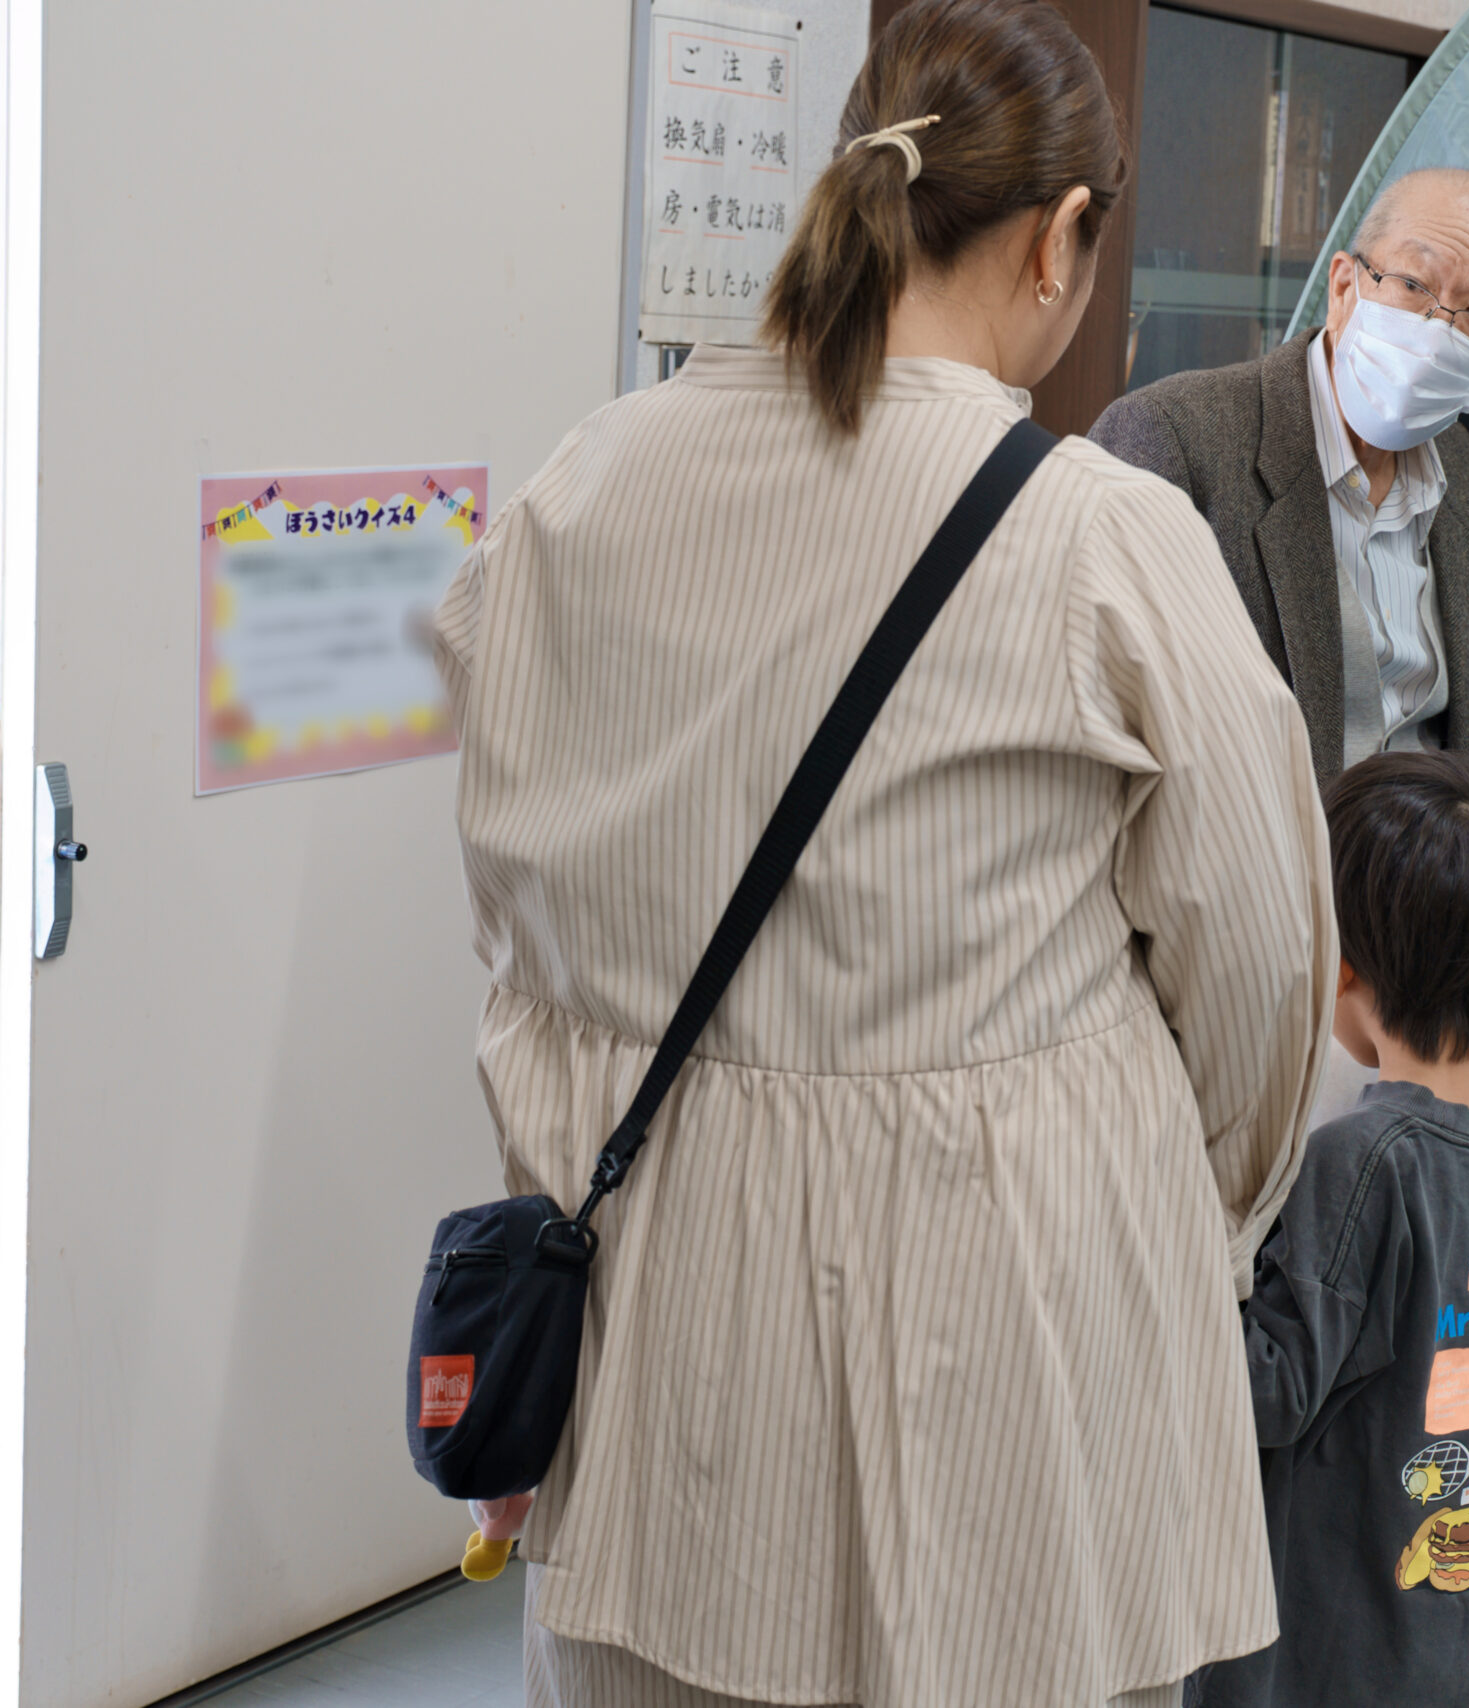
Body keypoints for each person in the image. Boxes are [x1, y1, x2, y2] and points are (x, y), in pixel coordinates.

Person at [433, 3, 1336, 1703]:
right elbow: (1264, 969)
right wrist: (1170, 1209)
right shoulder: (1097, 535)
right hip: (1006, 1301)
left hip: (664, 1281)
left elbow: (516, 917)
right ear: (1062, 236)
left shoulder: (591, 477)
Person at [1196, 750, 1469, 1708]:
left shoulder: (1362, 1159)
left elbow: (1268, 1394)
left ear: (1339, 959)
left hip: (1354, 1667)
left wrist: (1168, 1248)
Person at [1090, 169, 1469, 982]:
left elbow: (1427, 743)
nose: (1435, 326)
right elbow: (1097, 754)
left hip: (1401, 959)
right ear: (1343, 286)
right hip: (1217, 960)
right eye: (1412, 283)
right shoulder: (1172, 441)